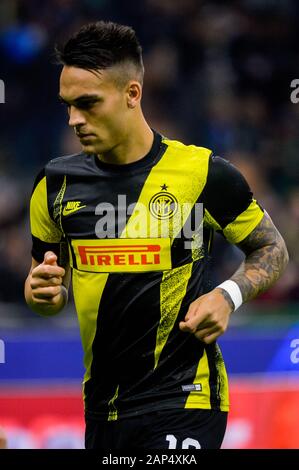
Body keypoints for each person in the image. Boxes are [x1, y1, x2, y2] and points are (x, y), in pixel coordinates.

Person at [25, 21, 288, 450]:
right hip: (102, 407)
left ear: (132, 94)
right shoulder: (54, 185)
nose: (75, 119)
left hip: (185, 398)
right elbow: (45, 286)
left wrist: (228, 295)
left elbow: (271, 247)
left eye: (88, 104)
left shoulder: (204, 173)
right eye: (68, 105)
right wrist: (41, 294)